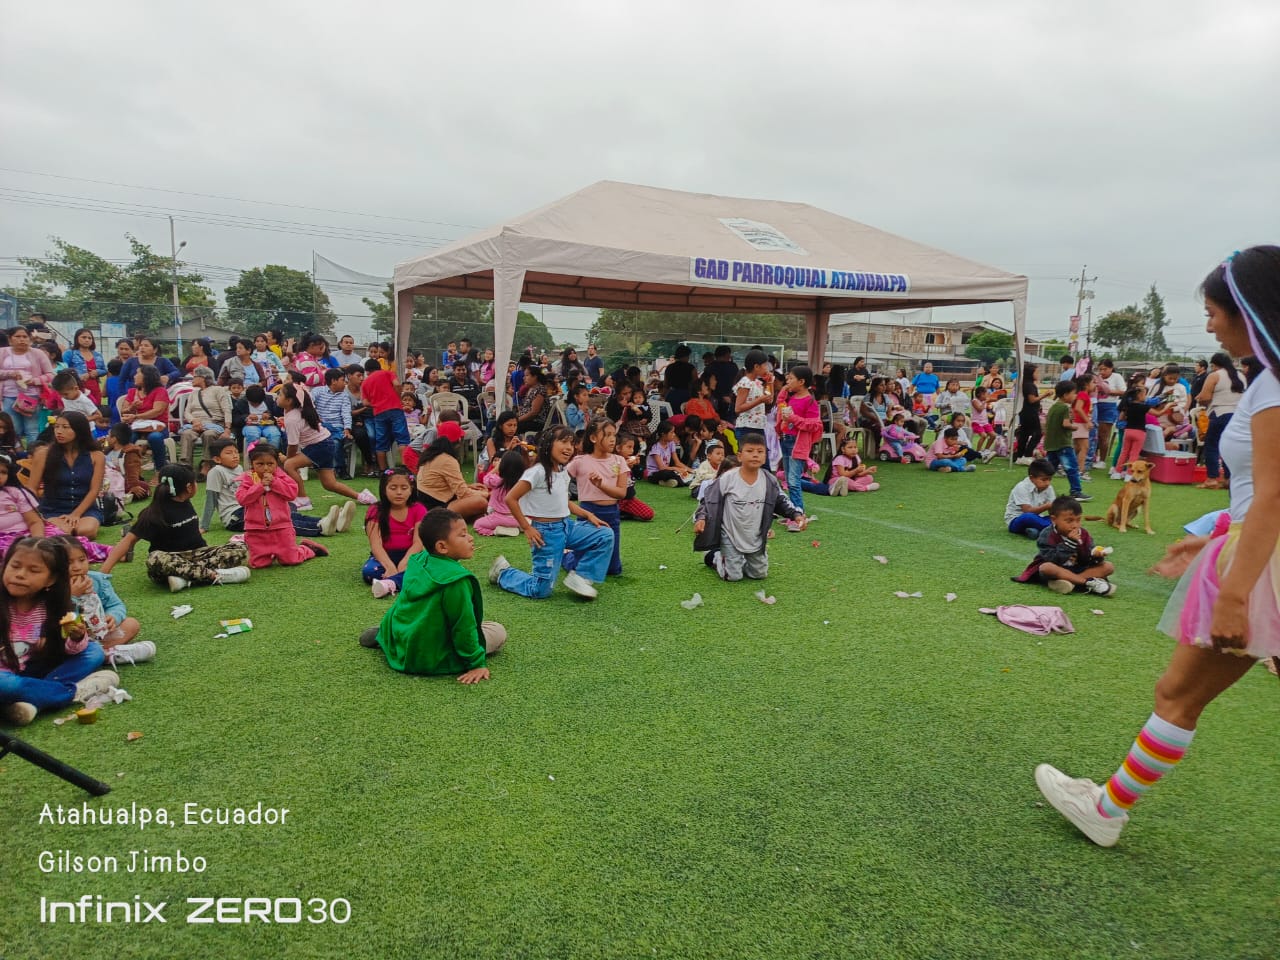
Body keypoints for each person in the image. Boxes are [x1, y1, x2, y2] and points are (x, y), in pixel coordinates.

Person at [1036, 245, 1280, 848]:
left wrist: (1237, 590)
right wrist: (1214, 538)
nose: (1209, 325)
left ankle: (1106, 808)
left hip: (1262, 564)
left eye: (1213, 312)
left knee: (1177, 694)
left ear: (1250, 311)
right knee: (1179, 694)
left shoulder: (1273, 388)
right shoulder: (1265, 383)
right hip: (1253, 549)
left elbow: (1274, 496)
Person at [359, 508, 506, 683]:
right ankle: (396, 636)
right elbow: (462, 627)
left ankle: (387, 635)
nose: (470, 538)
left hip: (407, 638)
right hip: (431, 655)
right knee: (497, 630)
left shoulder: (419, 559)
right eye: (462, 535)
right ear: (442, 546)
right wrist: (476, 663)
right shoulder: (456, 581)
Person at [0, 536, 120, 726]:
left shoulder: (54, 607)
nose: (20, 574)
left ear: (51, 579)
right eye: (15, 566)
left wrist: (76, 637)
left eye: (33, 570)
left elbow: (67, 650)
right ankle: (74, 692)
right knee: (5, 683)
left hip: (36, 668)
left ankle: (31, 699)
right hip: (5, 675)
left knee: (93, 651)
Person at [488, 426, 613, 600]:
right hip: (546, 533)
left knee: (605, 535)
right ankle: (503, 572)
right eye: (563, 442)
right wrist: (527, 528)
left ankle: (581, 578)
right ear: (548, 444)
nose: (569, 447)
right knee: (540, 590)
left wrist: (587, 514)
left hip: (566, 526)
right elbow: (511, 498)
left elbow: (564, 502)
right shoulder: (537, 472)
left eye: (571, 443)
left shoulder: (562, 471)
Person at [100, 464, 251, 592]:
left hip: (198, 556)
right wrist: (103, 574)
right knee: (155, 559)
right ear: (189, 487)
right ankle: (214, 575)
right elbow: (128, 541)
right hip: (171, 560)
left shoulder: (186, 502)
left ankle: (185, 580)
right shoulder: (153, 513)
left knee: (240, 548)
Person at [693, 432, 806, 581]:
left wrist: (796, 515)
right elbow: (708, 500)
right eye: (750, 451)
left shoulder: (769, 480)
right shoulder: (728, 478)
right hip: (730, 534)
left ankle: (737, 560)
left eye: (760, 451)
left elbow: (781, 501)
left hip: (755, 535)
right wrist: (701, 518)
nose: (755, 455)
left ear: (765, 457)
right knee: (733, 576)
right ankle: (715, 556)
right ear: (740, 456)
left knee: (759, 574)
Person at [278, 384, 374, 510]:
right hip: (325, 443)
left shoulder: (292, 418)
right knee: (329, 484)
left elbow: (293, 445)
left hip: (320, 446)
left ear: (289, 400)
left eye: (280, 394)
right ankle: (362, 496)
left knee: (289, 465)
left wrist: (288, 458)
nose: (277, 397)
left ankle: (303, 500)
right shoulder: (296, 410)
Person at [235, 443, 327, 568]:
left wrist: (275, 482)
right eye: (260, 464)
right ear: (252, 464)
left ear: (276, 463)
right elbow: (242, 499)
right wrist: (260, 486)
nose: (266, 468)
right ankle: (271, 553)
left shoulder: (281, 476)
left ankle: (307, 549)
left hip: (282, 527)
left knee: (291, 560)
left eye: (270, 464)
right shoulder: (248, 479)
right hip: (255, 529)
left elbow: (291, 494)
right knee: (258, 564)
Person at [1013, 495, 1116, 596]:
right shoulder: (1047, 535)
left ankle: (1071, 582)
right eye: (1069, 521)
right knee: (1046, 567)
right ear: (1054, 519)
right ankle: (1087, 582)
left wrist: (1096, 556)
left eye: (1078, 520)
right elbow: (1052, 560)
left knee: (1108, 567)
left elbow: (1086, 560)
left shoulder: (1084, 534)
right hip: (1057, 569)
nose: (1075, 525)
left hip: (1077, 569)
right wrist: (1069, 543)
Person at [26, 413, 106, 540]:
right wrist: (33, 515)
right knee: (62, 532)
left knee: (86, 531)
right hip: (52, 509)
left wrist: (76, 514)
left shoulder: (96, 456)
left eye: (65, 427)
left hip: (85, 509)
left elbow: (94, 490)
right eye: (57, 427)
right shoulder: (43, 454)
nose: (59, 431)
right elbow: (31, 488)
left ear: (79, 430)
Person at [567, 418, 629, 576]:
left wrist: (601, 485)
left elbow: (622, 493)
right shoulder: (580, 461)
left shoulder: (619, 460)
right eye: (607, 435)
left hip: (612, 514)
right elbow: (559, 479)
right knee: (579, 566)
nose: (612, 439)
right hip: (588, 513)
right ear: (593, 438)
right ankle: (566, 555)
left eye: (614, 435)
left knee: (613, 570)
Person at [415, 419, 488, 519]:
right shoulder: (447, 460)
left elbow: (442, 485)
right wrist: (487, 494)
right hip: (437, 507)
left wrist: (469, 487)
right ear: (458, 440)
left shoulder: (431, 454)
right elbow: (463, 493)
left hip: (430, 502)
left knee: (478, 495)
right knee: (481, 502)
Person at [775, 366, 822, 517]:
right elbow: (780, 402)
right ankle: (793, 512)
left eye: (790, 379)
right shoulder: (792, 397)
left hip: (798, 443)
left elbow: (814, 425)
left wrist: (793, 418)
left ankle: (798, 513)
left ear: (801, 382)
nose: (787, 381)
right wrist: (784, 390)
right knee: (789, 479)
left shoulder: (810, 401)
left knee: (793, 480)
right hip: (786, 440)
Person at [1194, 351, 1244, 489]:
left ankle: (1212, 478)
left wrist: (1200, 399)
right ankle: (1229, 478)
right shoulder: (1240, 375)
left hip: (1220, 413)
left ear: (1214, 364)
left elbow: (1205, 397)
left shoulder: (1215, 375)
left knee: (1212, 445)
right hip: (1238, 415)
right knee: (1230, 447)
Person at [0, 326, 55, 446]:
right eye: (18, 336)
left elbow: (50, 375)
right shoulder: (2, 352)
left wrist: (34, 381)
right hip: (8, 396)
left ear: (29, 339)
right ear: (10, 339)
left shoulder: (38, 353)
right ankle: (13, 453)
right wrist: (10, 374)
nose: (22, 339)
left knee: (32, 429)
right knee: (13, 429)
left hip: (31, 397)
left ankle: (33, 453)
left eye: (25, 337)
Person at [175, 366, 231, 472]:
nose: (192, 379)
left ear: (203, 377)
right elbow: (187, 412)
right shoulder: (193, 394)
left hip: (213, 424)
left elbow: (226, 410)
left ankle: (207, 464)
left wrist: (227, 428)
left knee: (208, 434)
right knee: (187, 434)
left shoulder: (218, 390)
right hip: (195, 424)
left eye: (195, 376)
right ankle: (185, 466)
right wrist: (194, 421)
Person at [1042, 380, 1090, 501]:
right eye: (1073, 393)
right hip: (1063, 444)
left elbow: (1048, 424)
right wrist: (1074, 427)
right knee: (1072, 467)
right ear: (1065, 395)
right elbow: (1066, 424)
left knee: (1049, 469)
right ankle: (1076, 491)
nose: (1075, 396)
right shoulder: (1064, 408)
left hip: (1051, 443)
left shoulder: (1053, 407)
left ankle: (1040, 487)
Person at [360, 358, 411, 472]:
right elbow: (397, 385)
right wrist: (398, 397)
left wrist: (376, 404)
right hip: (395, 408)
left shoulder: (365, 383)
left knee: (381, 441)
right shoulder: (388, 373)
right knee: (402, 438)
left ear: (367, 371)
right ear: (379, 367)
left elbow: (365, 403)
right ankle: (405, 466)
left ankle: (382, 470)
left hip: (379, 413)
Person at [119, 364, 171, 470]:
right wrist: (132, 407)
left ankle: (160, 469)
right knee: (129, 437)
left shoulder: (160, 391)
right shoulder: (132, 392)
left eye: (138, 373)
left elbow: (157, 411)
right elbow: (123, 412)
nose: (134, 376)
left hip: (157, 427)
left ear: (147, 376)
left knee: (155, 437)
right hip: (137, 427)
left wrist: (136, 416)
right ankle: (130, 468)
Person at [475, 450, 525, 538]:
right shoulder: (522, 484)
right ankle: (518, 527)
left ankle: (495, 531)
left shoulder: (497, 481)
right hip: (518, 518)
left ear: (502, 467)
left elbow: (486, 479)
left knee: (477, 524)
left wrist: (496, 468)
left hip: (498, 518)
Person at [1005, 458, 1057, 538]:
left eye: (1050, 479)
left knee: (1057, 518)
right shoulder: (1022, 487)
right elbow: (1027, 511)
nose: (1047, 483)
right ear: (1032, 478)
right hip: (1017, 519)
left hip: (1038, 519)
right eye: (1044, 480)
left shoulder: (1049, 488)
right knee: (1028, 517)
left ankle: (1037, 531)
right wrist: (1047, 506)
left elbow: (1053, 511)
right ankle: (1053, 529)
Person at [1092, 358, 1126, 469]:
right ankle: (1093, 457)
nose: (1102, 372)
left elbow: (1123, 391)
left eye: (1105, 369)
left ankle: (1102, 460)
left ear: (1111, 368)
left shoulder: (1117, 377)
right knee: (1094, 435)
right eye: (1100, 369)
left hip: (1109, 406)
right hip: (1095, 405)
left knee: (1104, 435)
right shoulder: (1097, 377)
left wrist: (1109, 391)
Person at [102, 423, 148, 504]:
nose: (107, 438)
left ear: (114, 439)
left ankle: (118, 495)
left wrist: (134, 485)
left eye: (108, 436)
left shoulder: (130, 453)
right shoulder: (108, 450)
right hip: (105, 480)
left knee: (143, 486)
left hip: (122, 481)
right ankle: (119, 495)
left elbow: (132, 470)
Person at [613, 433, 655, 522]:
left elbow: (639, 476)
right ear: (618, 448)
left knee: (648, 514)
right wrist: (625, 466)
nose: (631, 450)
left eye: (632, 447)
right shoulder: (613, 461)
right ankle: (623, 512)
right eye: (629, 447)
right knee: (606, 514)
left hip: (629, 498)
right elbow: (612, 477)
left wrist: (637, 466)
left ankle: (624, 512)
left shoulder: (630, 461)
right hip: (615, 499)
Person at [1014, 363, 1050, 462]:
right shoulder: (1029, 385)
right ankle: (1027, 454)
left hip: (1024, 411)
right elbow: (1032, 400)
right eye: (1036, 372)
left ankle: (1020, 455)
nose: (1038, 374)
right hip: (1030, 412)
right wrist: (1045, 395)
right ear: (1030, 373)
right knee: (1037, 433)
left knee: (1024, 434)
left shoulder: (1025, 384)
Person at [1112, 384, 1150, 475]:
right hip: (1139, 432)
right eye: (1145, 394)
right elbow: (1158, 413)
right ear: (1140, 395)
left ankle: (1117, 472)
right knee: (1134, 454)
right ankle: (1129, 474)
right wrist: (1168, 406)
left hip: (1128, 431)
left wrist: (1129, 417)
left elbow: (1121, 418)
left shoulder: (1128, 406)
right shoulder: (1144, 407)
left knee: (1124, 452)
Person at [62, 329, 105, 405]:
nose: (87, 340)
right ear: (77, 338)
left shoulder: (97, 355)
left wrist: (97, 372)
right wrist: (78, 376)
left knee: (95, 409)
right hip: (77, 389)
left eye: (90, 338)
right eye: (84, 337)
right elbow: (63, 371)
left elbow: (104, 370)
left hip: (95, 389)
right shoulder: (69, 353)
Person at [645, 420, 692, 487]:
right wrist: (676, 469)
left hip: (668, 470)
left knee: (680, 473)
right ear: (663, 434)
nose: (674, 434)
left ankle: (668, 482)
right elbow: (661, 468)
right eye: (672, 432)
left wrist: (691, 470)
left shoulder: (671, 443)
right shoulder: (655, 447)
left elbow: (677, 463)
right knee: (668, 473)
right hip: (656, 474)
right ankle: (679, 481)